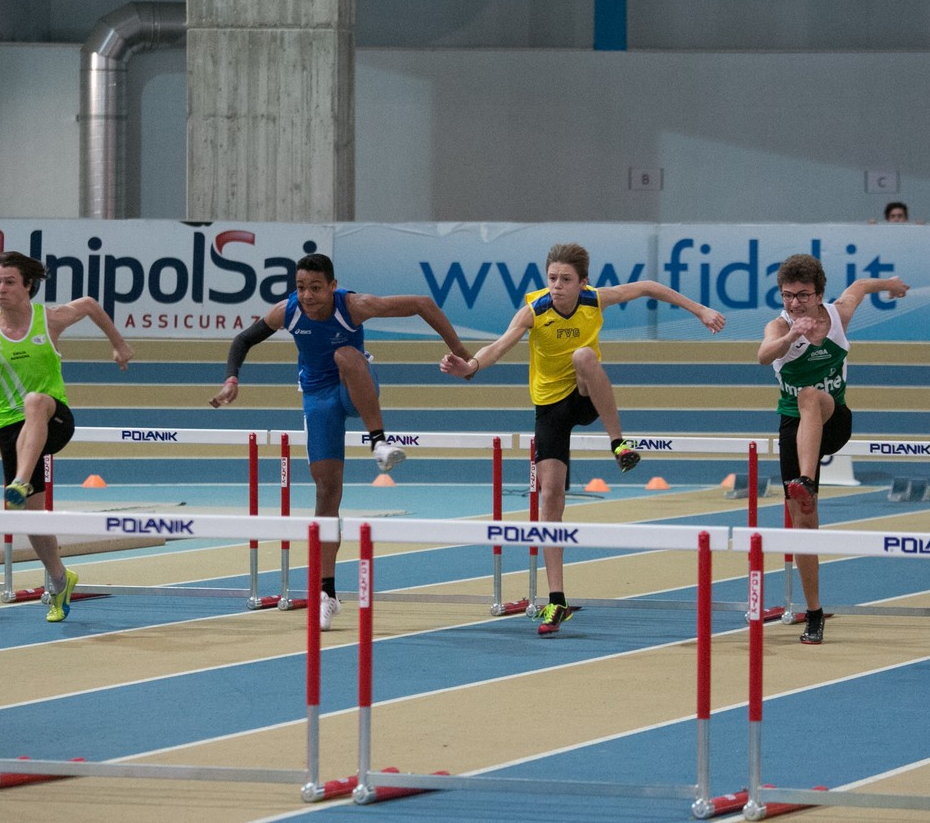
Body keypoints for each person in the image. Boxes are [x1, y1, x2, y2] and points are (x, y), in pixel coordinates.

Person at [440, 242, 726, 636]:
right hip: (550, 408)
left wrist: (700, 310)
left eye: (565, 279)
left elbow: (648, 287)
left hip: (585, 394)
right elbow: (500, 346)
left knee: (584, 357)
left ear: (582, 282)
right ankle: (557, 600)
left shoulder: (595, 300)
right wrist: (470, 365)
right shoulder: (534, 310)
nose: (557, 286)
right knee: (550, 497)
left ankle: (618, 444)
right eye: (552, 278)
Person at [209, 252, 471, 631]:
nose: (308, 296)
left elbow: (422, 304)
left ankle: (378, 442)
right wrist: (231, 379)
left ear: (332, 286)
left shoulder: (354, 306)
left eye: (316, 288)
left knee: (346, 354)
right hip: (318, 400)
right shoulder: (287, 312)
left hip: (355, 387)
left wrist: (462, 355)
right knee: (327, 493)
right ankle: (325, 593)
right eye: (301, 287)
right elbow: (243, 340)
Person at [0, 251, 134, 623]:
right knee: (33, 519)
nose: (0, 289)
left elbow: (89, 304)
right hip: (12, 430)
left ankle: (19, 481)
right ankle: (60, 578)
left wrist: (118, 343)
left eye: (9, 282)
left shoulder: (48, 319)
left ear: (28, 285)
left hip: (54, 417)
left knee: (35, 401)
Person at [758, 254, 910, 645]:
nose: (795, 303)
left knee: (811, 395)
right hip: (794, 429)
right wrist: (792, 337)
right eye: (788, 295)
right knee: (803, 524)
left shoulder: (839, 314)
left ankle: (806, 481)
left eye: (803, 296)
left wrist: (892, 285)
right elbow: (763, 356)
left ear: (819, 294)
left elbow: (861, 286)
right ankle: (813, 612)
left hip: (834, 418)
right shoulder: (779, 326)